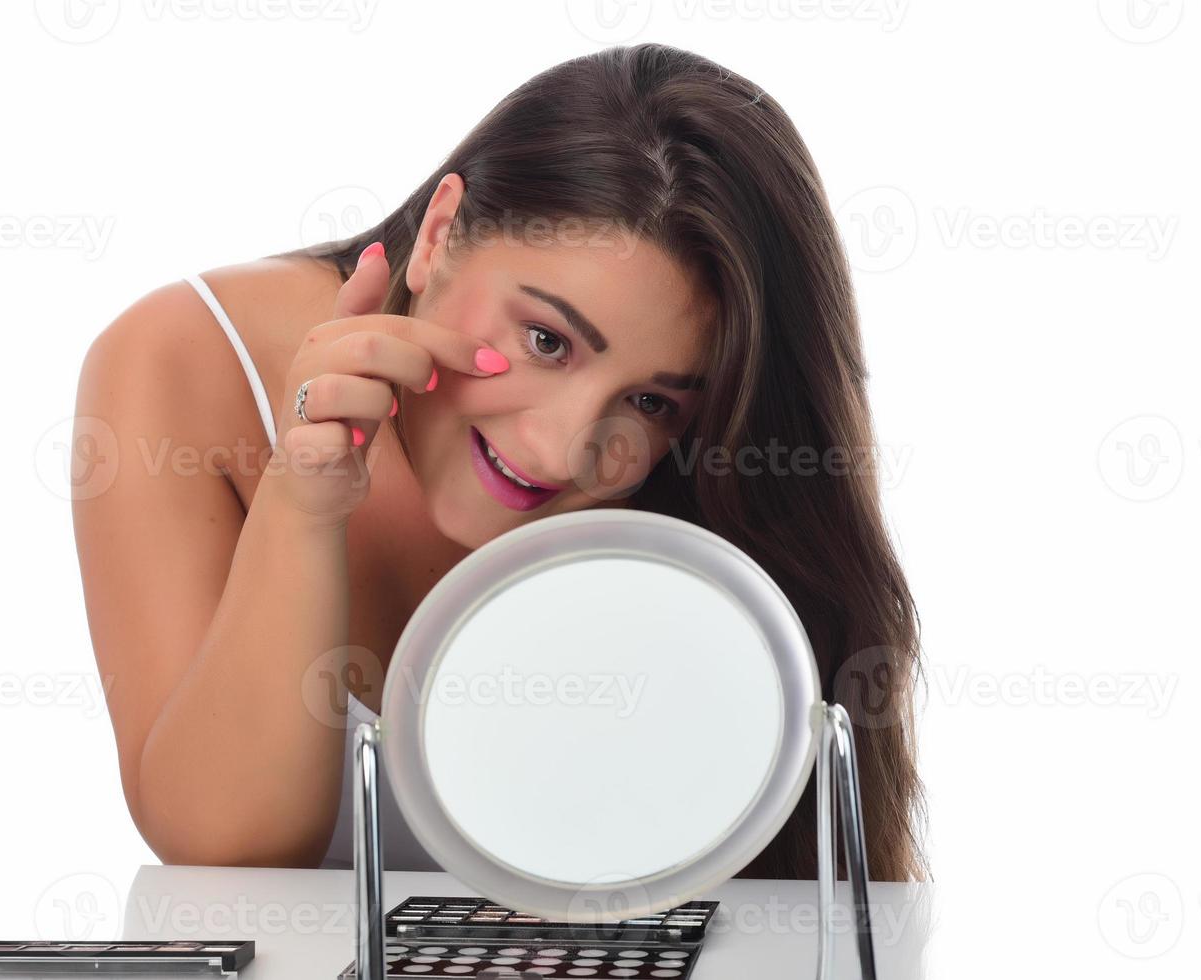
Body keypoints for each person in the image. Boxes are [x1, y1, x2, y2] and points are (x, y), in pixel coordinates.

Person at [72, 42, 928, 881]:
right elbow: (227, 850)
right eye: (546, 340)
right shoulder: (184, 361)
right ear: (441, 233)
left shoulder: (692, 495)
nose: (562, 449)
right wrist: (301, 507)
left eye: (652, 402)